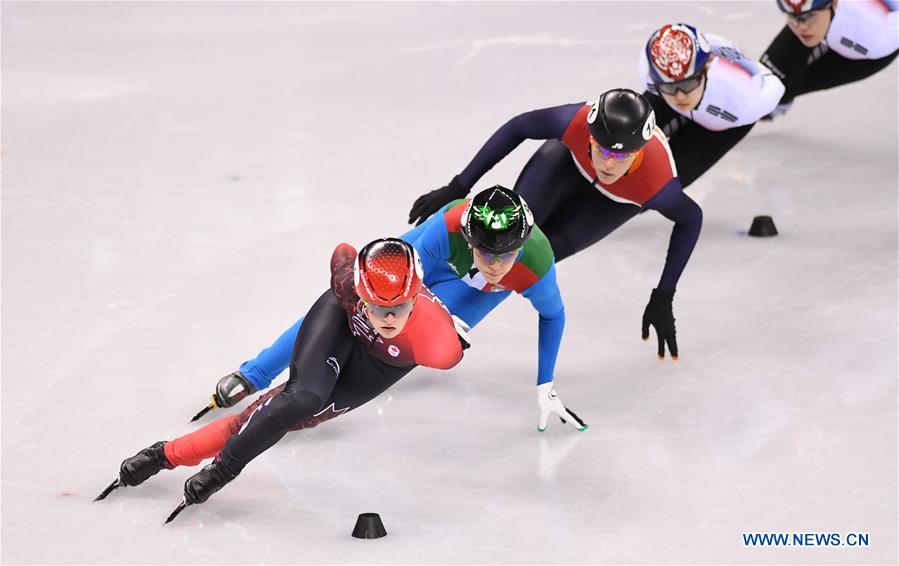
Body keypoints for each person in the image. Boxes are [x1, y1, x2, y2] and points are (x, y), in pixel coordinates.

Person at [96, 238, 468, 514]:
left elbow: (455, 345)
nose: (388, 318)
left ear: (417, 296)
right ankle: (217, 469)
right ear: (360, 292)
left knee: (271, 417)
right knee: (300, 399)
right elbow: (342, 252)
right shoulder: (348, 287)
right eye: (376, 306)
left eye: (399, 307)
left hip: (378, 366)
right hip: (340, 322)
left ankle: (165, 454)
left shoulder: (438, 345)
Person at [207, 186, 584, 433]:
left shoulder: (536, 265)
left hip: (477, 293)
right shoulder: (449, 227)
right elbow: (396, 291)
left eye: (508, 254)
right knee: (351, 303)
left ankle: (310, 405)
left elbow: (553, 315)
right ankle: (254, 373)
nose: (497, 264)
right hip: (429, 259)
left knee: (405, 342)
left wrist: (545, 384)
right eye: (486, 252)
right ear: (469, 240)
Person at [407, 89, 703, 359]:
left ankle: (455, 313)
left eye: (622, 155)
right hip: (568, 163)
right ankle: (426, 270)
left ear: (638, 152)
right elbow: (519, 127)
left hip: (615, 201)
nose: (609, 164)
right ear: (590, 135)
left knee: (530, 257)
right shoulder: (573, 121)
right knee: (507, 233)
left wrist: (664, 293)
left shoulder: (658, 185)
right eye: (603, 149)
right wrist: (458, 186)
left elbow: (691, 220)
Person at [639, 23, 786, 188]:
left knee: (660, 186)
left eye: (689, 84)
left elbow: (777, 87)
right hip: (686, 94)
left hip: (721, 125)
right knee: (621, 142)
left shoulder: (743, 100)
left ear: (706, 69)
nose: (680, 95)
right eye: (669, 86)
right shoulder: (650, 73)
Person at [760, 0, 898, 118]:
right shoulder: (810, 16)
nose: (801, 26)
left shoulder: (879, 34)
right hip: (831, 23)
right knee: (765, 87)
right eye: (792, 16)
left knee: (785, 89)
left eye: (810, 15)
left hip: (866, 56)